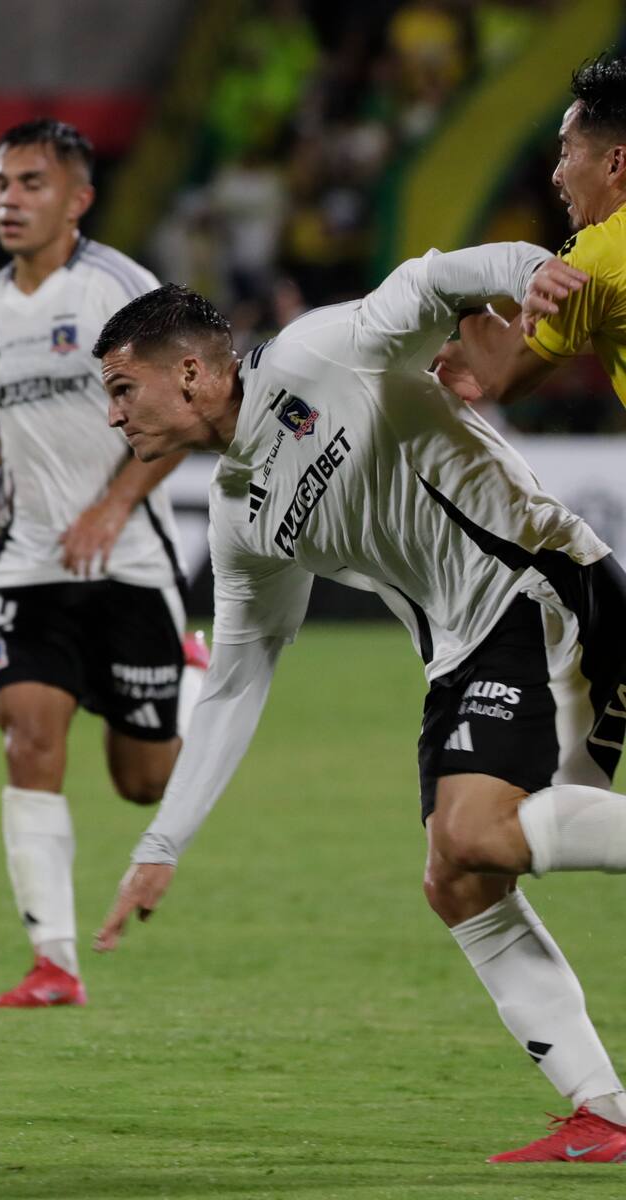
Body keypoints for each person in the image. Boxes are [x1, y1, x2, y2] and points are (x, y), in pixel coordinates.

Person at [89, 262, 626, 1162]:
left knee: (476, 829)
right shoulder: (239, 513)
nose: (113, 415)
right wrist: (161, 844)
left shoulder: (318, 354)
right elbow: (237, 674)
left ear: (187, 372)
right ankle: (604, 1110)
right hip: (463, 652)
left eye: (120, 388)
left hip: (541, 590)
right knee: (457, 877)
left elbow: (435, 280)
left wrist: (534, 273)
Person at [0, 118, 206, 1009]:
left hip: (128, 561)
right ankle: (54, 960)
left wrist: (110, 505)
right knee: (28, 735)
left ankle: (191, 678)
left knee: (144, 784)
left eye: (30, 184)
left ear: (78, 199)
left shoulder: (121, 293)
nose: (9, 201)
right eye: (0, 184)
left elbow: (194, 414)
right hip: (27, 562)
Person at [443, 54, 626, 409]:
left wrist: (462, 294)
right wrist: (479, 352)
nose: (557, 174)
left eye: (566, 150)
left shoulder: (596, 255)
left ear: (615, 162)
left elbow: (501, 376)